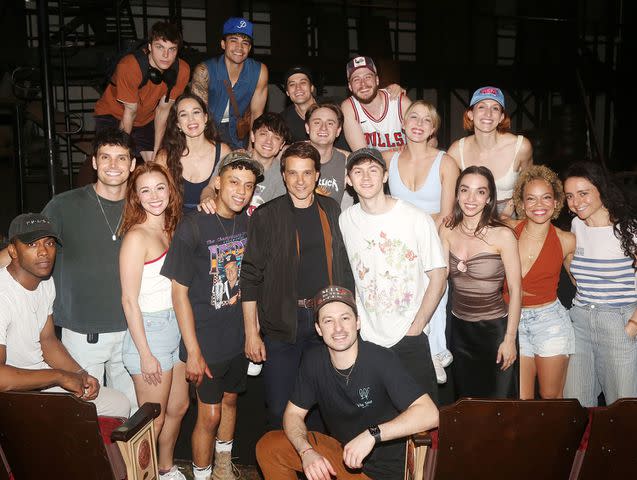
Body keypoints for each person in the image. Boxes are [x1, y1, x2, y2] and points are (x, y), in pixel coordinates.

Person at [256, 285, 439, 480]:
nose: (338, 329)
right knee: (269, 447)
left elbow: (430, 414)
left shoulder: (381, 359)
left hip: (385, 473)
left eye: (345, 318)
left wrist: (372, 434)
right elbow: (292, 414)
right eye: (328, 321)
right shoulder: (314, 361)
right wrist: (306, 451)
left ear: (357, 322)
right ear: (318, 329)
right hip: (342, 459)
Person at [161, 152, 263, 480]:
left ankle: (222, 466)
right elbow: (178, 293)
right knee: (209, 415)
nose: (240, 190)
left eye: (248, 185)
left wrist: (252, 331)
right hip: (204, 340)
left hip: (236, 336)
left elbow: (250, 282)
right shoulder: (193, 225)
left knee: (231, 402)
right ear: (217, 183)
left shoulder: (249, 222)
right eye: (233, 182)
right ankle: (203, 475)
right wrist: (192, 351)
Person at [240, 142, 354, 429]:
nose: (300, 181)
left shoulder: (331, 209)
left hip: (324, 323)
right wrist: (252, 334)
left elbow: (343, 266)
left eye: (306, 173)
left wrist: (348, 315)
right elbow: (250, 276)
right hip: (281, 323)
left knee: (320, 407)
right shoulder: (266, 216)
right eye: (293, 173)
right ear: (283, 175)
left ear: (317, 175)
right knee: (279, 408)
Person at [41, 128, 138, 412]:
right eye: (105, 157)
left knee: (131, 414)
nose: (113, 165)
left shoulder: (143, 206)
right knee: (85, 415)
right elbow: (26, 250)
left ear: (132, 165)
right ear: (94, 162)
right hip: (82, 335)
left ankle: (124, 460)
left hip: (132, 332)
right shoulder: (63, 206)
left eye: (121, 158)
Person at [339, 147, 445, 400]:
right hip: (367, 338)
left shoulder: (415, 218)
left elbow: (439, 275)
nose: (366, 177)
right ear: (348, 180)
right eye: (358, 171)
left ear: (385, 176)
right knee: (379, 416)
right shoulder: (345, 220)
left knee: (424, 421)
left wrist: (417, 325)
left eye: (373, 170)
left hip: (409, 334)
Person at [0, 213, 130, 418]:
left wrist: (79, 374)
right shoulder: (3, 295)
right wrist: (59, 376)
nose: (44, 252)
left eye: (49, 243)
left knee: (119, 404)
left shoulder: (45, 283)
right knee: (83, 420)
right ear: (13, 251)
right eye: (32, 245)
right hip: (13, 393)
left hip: (41, 382)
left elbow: (48, 340)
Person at [119, 163, 189, 480]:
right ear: (135, 196)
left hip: (175, 327)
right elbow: (128, 300)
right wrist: (145, 353)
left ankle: (166, 468)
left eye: (160, 187)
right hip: (149, 333)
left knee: (178, 408)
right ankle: (140, 476)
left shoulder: (171, 227)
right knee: (152, 422)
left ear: (170, 190)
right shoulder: (136, 236)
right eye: (144, 190)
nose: (154, 196)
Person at [386, 100, 459, 382]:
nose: (418, 123)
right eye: (413, 117)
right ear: (403, 124)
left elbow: (445, 214)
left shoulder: (446, 162)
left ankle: (436, 350)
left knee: (437, 270)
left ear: (433, 129)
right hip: (397, 243)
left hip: (433, 237)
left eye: (426, 120)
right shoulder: (387, 158)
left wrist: (417, 232)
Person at [439, 166, 521, 399]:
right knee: (466, 405)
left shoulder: (503, 236)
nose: (471, 199)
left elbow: (516, 290)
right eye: (465, 190)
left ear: (490, 198)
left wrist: (510, 339)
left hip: (495, 333)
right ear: (456, 195)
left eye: (480, 192)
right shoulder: (447, 231)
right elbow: (439, 279)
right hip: (459, 332)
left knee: (499, 407)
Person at [562, 162, 637, 407]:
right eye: (570, 196)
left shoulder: (629, 229)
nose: (576, 202)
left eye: (583, 193)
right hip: (580, 321)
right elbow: (577, 275)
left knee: (621, 407)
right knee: (575, 404)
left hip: (619, 321)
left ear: (601, 190)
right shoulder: (576, 226)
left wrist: (633, 325)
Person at [502, 166, 576, 399]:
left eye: (546, 198)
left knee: (551, 400)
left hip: (550, 323)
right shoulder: (509, 230)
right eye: (530, 199)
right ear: (522, 204)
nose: (539, 205)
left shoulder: (566, 240)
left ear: (556, 202)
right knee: (521, 401)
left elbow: (580, 281)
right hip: (512, 323)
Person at [94, 21, 190, 161]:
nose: (165, 55)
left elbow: (163, 112)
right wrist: (123, 153)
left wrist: (157, 153)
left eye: (172, 49)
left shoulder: (182, 71)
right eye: (160, 47)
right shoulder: (130, 66)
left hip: (145, 119)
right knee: (114, 158)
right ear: (150, 46)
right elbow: (129, 113)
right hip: (112, 115)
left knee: (156, 162)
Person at [447, 86, 533, 218]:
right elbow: (447, 191)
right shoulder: (456, 151)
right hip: (471, 212)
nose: (488, 113)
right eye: (482, 107)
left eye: (495, 108)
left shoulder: (520, 147)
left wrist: (509, 215)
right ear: (470, 114)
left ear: (501, 117)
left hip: (510, 213)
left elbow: (529, 188)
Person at [190, 17, 268, 149]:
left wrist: (252, 150)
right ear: (223, 44)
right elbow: (197, 115)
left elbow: (257, 115)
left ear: (250, 48)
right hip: (208, 131)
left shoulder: (259, 71)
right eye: (233, 41)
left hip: (239, 133)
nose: (240, 47)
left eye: (245, 43)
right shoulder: (204, 71)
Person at [201, 112, 290, 216]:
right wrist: (207, 199)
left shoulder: (283, 175)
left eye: (276, 137)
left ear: (282, 145)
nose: (268, 141)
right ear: (253, 136)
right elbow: (210, 188)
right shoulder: (232, 160)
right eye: (263, 134)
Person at [156, 93, 231, 211]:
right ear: (178, 124)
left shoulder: (223, 151)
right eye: (183, 114)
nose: (191, 119)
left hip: (209, 221)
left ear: (205, 118)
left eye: (196, 112)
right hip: (174, 222)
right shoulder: (164, 157)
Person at [341, 56, 411, 152]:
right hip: (373, 165)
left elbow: (429, 142)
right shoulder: (349, 107)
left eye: (368, 77)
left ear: (377, 80)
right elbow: (363, 155)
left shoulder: (400, 102)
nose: (363, 84)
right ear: (350, 86)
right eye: (356, 79)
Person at [281, 65, 349, 150]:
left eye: (303, 83)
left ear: (312, 88)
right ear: (287, 92)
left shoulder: (338, 105)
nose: (298, 88)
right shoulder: (284, 120)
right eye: (292, 84)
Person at [305, 103, 352, 207]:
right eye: (317, 122)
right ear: (307, 128)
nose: (323, 128)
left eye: (330, 123)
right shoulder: (290, 156)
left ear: (338, 131)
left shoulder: (348, 162)